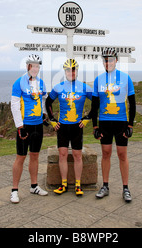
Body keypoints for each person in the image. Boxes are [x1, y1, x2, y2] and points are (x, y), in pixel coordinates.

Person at [89, 48, 136, 203]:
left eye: (110, 59)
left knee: (122, 154)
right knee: (106, 153)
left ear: (116, 61)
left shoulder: (125, 78)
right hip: (104, 122)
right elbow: (94, 105)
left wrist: (130, 125)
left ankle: (126, 188)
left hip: (121, 121)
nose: (107, 62)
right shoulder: (99, 79)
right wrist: (95, 126)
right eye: (105, 60)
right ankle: (105, 186)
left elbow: (132, 103)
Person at [45, 59, 92, 196]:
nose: (70, 72)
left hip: (77, 126)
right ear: (64, 72)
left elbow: (97, 102)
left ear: (76, 71)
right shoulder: (59, 87)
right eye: (67, 70)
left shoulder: (84, 87)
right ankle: (63, 184)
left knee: (77, 155)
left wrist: (88, 118)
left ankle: (78, 184)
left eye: (73, 70)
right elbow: (48, 102)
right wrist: (53, 120)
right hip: (63, 127)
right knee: (63, 155)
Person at [10, 54, 49, 203]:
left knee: (35, 156)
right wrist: (20, 126)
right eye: (33, 65)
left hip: (37, 125)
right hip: (25, 125)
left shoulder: (41, 83)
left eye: (38, 66)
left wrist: (44, 114)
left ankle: (34, 186)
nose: (35, 68)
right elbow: (14, 105)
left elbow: (43, 99)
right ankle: (14, 190)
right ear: (28, 67)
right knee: (21, 157)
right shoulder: (19, 83)